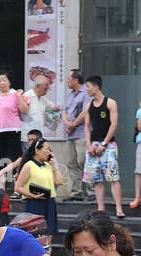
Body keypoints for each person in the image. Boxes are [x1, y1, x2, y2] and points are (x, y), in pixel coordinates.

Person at [83, 75, 125, 218]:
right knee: (96, 179)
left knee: (113, 177)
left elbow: (114, 124)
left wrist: (104, 144)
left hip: (109, 144)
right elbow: (87, 126)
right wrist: (88, 145)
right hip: (93, 144)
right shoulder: (88, 105)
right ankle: (101, 208)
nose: (86, 89)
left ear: (96, 87)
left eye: (88, 86)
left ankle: (119, 208)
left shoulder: (110, 103)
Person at [15, 138, 63, 247]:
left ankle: (47, 253)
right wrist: (33, 195)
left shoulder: (48, 166)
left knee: (49, 230)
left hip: (49, 201)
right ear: (37, 150)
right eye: (46, 149)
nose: (49, 152)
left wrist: (55, 165)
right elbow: (18, 187)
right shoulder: (29, 165)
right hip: (34, 202)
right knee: (35, 232)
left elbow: (59, 181)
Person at [57, 70, 89, 200]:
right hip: (70, 134)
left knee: (83, 161)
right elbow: (64, 111)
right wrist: (66, 123)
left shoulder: (86, 93)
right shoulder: (70, 95)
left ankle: (91, 191)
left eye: (69, 79)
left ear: (76, 80)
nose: (67, 81)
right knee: (71, 163)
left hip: (81, 133)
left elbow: (86, 111)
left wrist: (74, 124)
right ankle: (76, 191)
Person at [0, 73, 31, 171]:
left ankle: (12, 181)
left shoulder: (15, 94)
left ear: (9, 82)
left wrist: (19, 96)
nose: (2, 83)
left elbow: (25, 110)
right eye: (0, 80)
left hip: (13, 130)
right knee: (1, 159)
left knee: (12, 158)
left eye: (4, 80)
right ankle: (3, 182)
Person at [23, 75, 61, 140]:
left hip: (39, 136)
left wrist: (59, 108)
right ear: (38, 86)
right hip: (28, 137)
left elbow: (53, 107)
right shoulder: (27, 96)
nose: (48, 89)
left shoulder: (43, 99)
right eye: (46, 87)